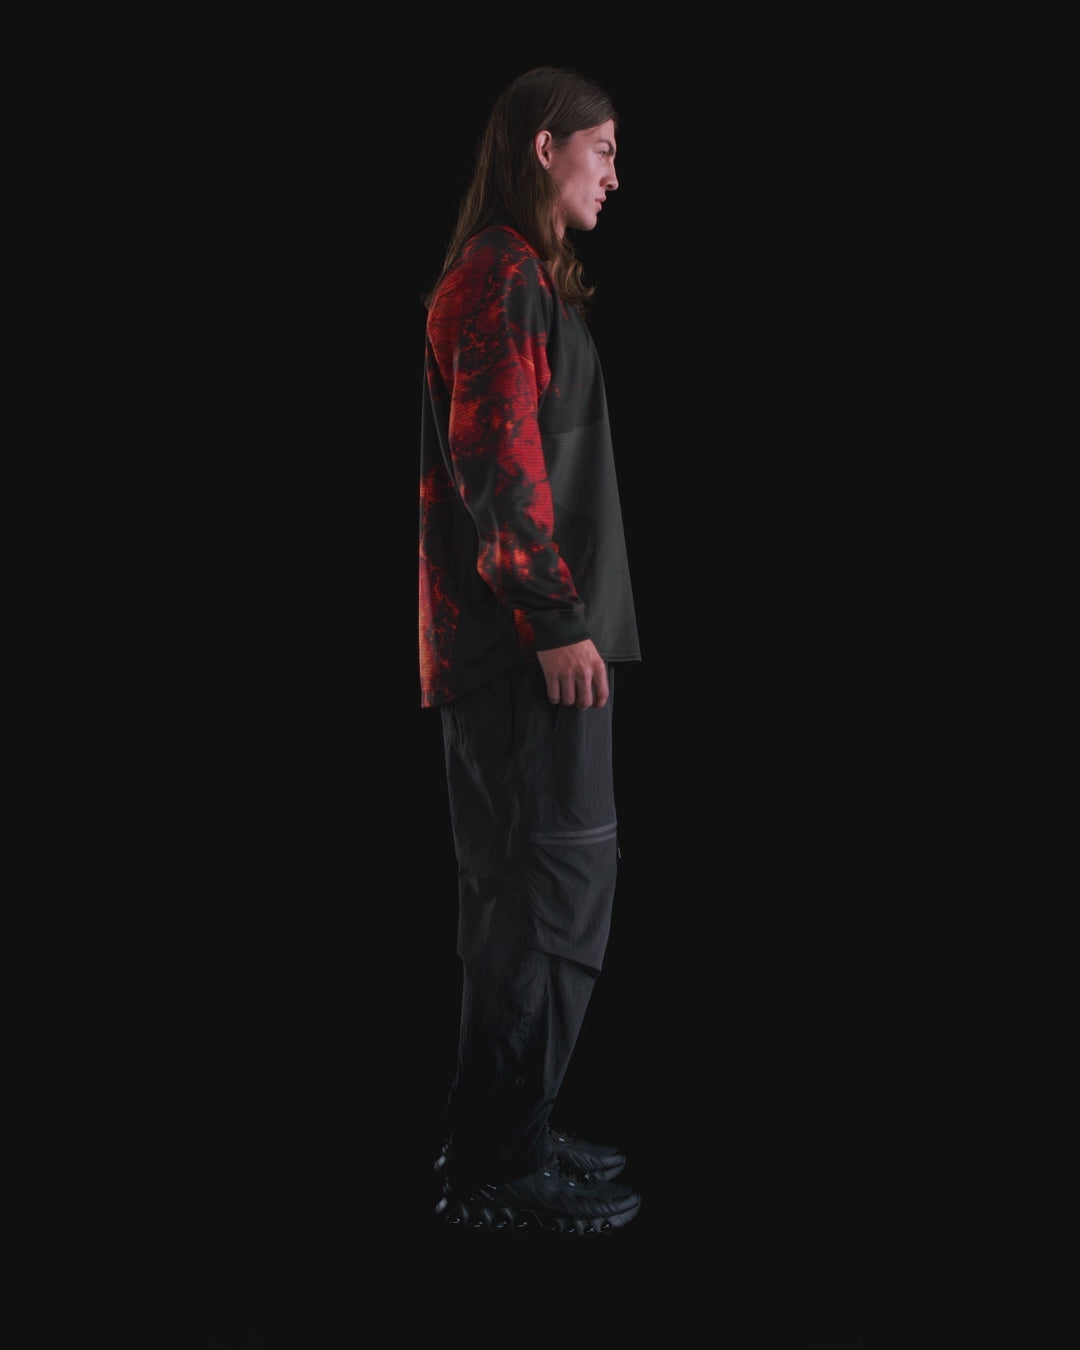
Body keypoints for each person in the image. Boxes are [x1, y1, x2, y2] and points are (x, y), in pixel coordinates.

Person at [418, 66, 642, 1236]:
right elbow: (495, 467)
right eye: (603, 150)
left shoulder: (520, 277)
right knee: (540, 901)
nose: (616, 175)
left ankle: (511, 1132)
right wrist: (555, 622)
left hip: (531, 648)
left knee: (547, 895)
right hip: (521, 654)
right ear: (545, 148)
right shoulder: (498, 276)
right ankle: (496, 1170)